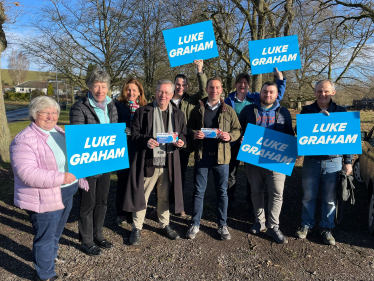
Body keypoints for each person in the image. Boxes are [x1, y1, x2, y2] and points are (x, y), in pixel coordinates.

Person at [10, 96, 88, 281]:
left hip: (66, 191)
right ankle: (45, 274)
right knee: (45, 235)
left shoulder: (58, 131)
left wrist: (82, 173)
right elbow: (27, 173)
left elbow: (73, 157)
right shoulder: (24, 139)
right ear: (34, 114)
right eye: (45, 112)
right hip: (44, 195)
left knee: (56, 230)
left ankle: (49, 257)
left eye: (54, 112)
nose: (51, 116)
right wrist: (61, 177)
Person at [123, 79, 187, 246]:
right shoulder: (143, 111)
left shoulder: (178, 114)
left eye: (166, 93)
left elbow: (184, 135)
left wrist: (182, 142)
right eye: (160, 92)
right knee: (141, 196)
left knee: (163, 197)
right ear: (155, 92)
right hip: (148, 161)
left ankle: (164, 224)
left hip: (169, 162)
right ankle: (137, 227)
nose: (163, 96)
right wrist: (146, 141)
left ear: (172, 94)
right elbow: (134, 134)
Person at [295, 79, 353, 245]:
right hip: (311, 161)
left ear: (333, 92)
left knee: (330, 198)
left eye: (326, 91)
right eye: (319, 91)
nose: (322, 94)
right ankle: (306, 225)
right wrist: (316, 120)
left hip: (334, 161)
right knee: (308, 196)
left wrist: (347, 162)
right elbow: (298, 131)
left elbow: (347, 139)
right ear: (315, 93)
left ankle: (327, 228)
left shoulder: (341, 112)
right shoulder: (306, 111)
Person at [70, 69, 118, 256]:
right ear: (89, 87)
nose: (100, 90)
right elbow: (78, 137)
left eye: (104, 86)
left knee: (103, 201)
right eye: (96, 85)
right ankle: (86, 239)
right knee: (88, 202)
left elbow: (114, 130)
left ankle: (99, 234)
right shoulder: (79, 108)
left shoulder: (111, 106)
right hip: (88, 163)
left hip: (106, 162)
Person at [186, 76, 241, 240]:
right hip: (202, 156)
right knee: (198, 192)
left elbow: (238, 129)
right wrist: (194, 134)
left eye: (217, 88)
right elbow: (189, 128)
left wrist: (230, 136)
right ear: (206, 89)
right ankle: (195, 223)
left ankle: (222, 225)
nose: (214, 90)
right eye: (211, 87)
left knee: (222, 192)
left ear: (221, 90)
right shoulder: (197, 109)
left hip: (222, 158)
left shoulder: (229, 110)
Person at [239, 81, 294, 244]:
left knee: (277, 193)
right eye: (264, 92)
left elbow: (290, 134)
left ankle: (273, 226)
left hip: (277, 160)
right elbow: (238, 129)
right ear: (260, 93)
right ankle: (260, 221)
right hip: (253, 158)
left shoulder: (284, 112)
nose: (267, 95)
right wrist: (241, 138)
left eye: (271, 92)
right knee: (256, 191)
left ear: (277, 94)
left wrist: (294, 148)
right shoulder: (248, 110)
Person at [224, 68, 286, 210]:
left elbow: (276, 96)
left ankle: (251, 202)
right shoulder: (228, 100)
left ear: (248, 85)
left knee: (251, 175)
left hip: (251, 141)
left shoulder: (255, 98)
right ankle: (229, 200)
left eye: (245, 83)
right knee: (231, 172)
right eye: (240, 82)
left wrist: (280, 79)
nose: (242, 85)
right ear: (235, 84)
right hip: (234, 141)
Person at [114, 78, 147, 226]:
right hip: (123, 148)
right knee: (123, 181)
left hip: (139, 148)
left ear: (139, 92)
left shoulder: (145, 107)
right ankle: (121, 212)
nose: (131, 93)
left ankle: (132, 212)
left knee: (136, 182)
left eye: (134, 90)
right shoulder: (118, 105)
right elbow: (112, 123)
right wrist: (121, 130)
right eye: (128, 89)